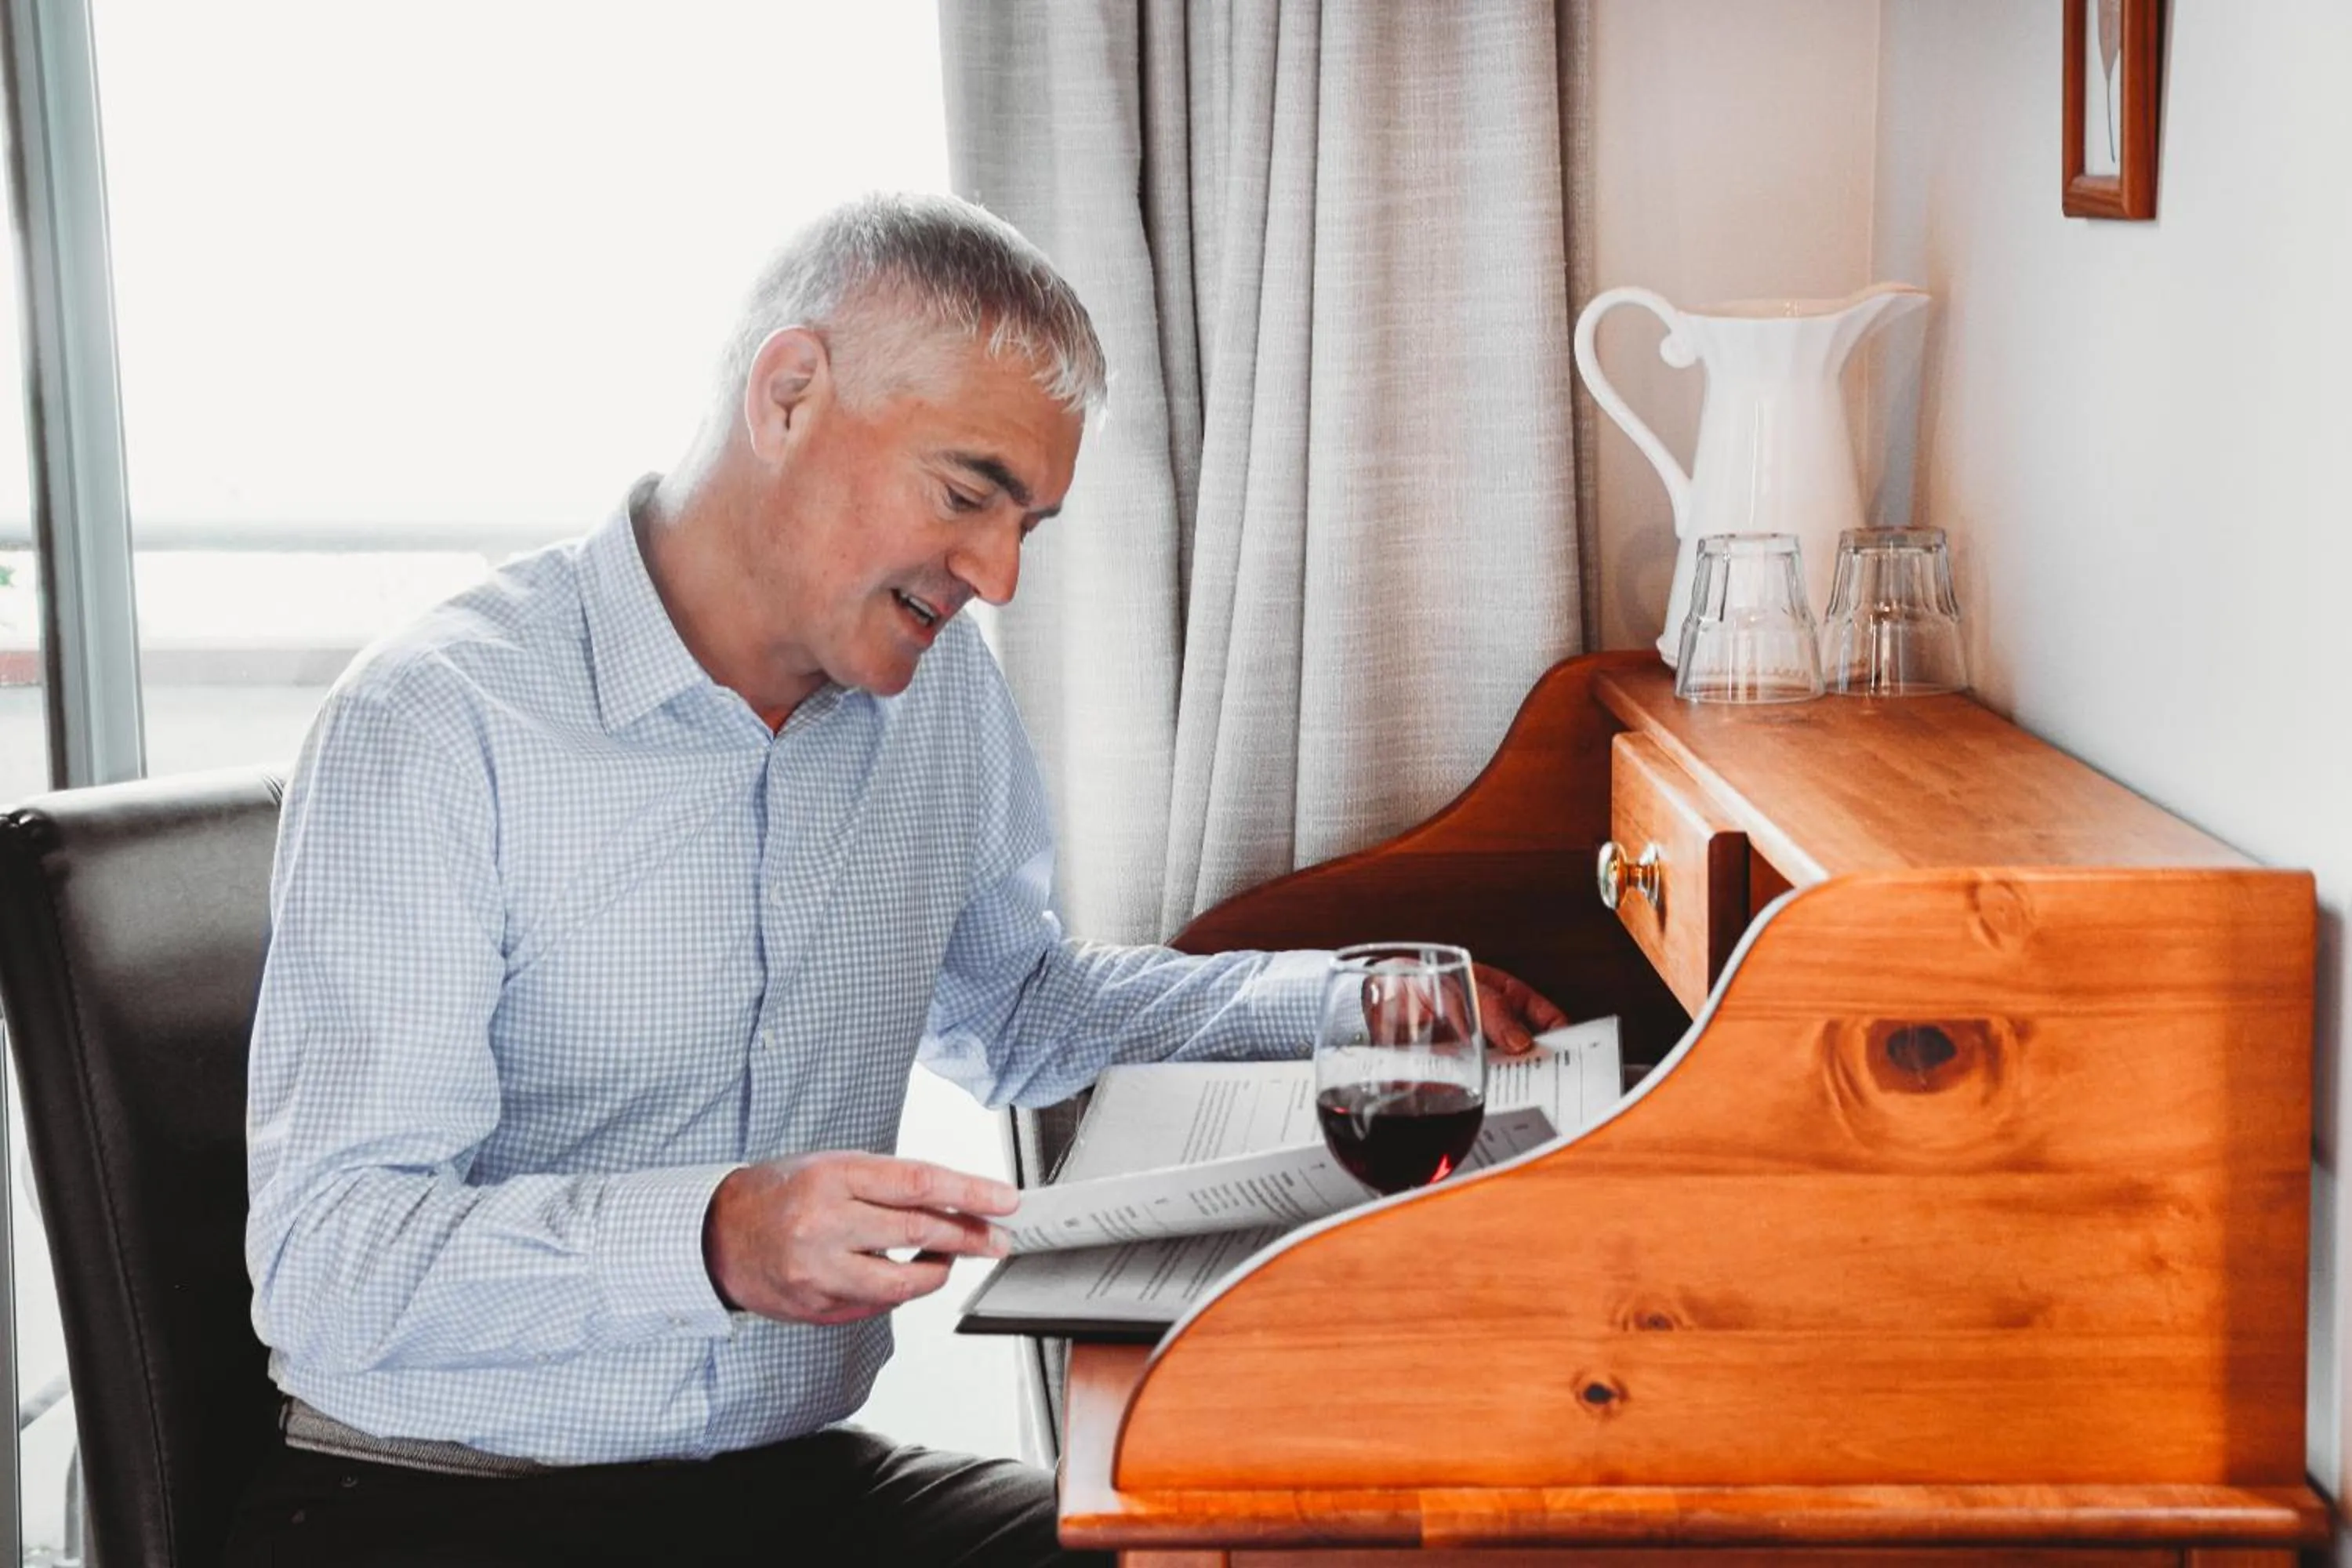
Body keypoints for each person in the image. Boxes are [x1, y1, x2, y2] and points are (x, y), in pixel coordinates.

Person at [228, 192, 1568, 1567]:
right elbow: (333, 1265)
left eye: (1028, 525)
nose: (995, 574)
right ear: (790, 393)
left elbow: (1025, 1013)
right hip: (440, 1506)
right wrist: (717, 1239)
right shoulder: (440, 722)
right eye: (968, 491)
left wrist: (1346, 1003)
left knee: (1236, 1547)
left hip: (784, 1487)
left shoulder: (932, 700)